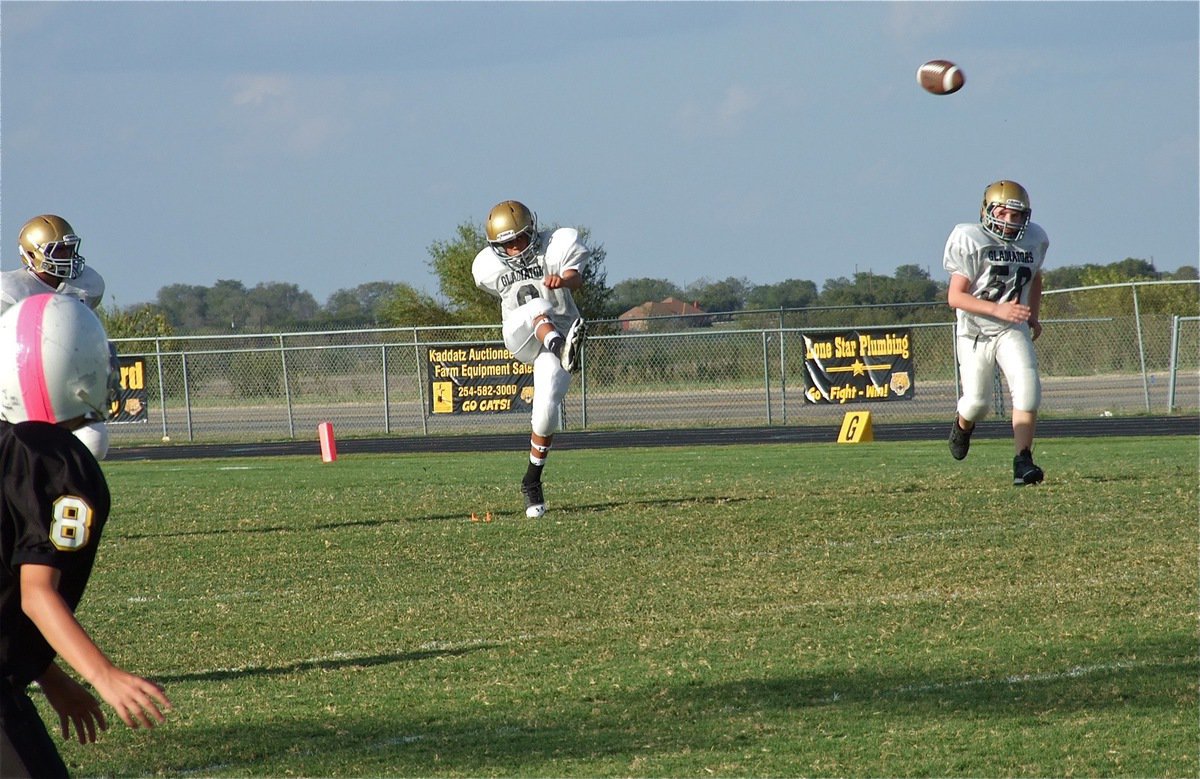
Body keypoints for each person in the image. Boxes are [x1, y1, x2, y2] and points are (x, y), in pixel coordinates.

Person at [0, 294, 172, 778]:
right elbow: (35, 594)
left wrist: (47, 675)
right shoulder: (61, 466)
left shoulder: (12, 447)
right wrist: (103, 675)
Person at [472, 200, 587, 517]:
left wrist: (562, 279)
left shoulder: (555, 245)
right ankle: (560, 346)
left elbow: (576, 276)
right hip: (520, 333)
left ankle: (532, 480)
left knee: (546, 409)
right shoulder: (488, 267)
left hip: (561, 328)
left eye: (520, 239)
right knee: (539, 308)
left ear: (532, 231)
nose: (515, 248)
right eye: (506, 244)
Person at [943, 180, 1049, 486]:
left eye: (1017, 216)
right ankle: (963, 425)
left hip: (1011, 328)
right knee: (977, 403)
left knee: (1028, 388)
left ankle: (1023, 461)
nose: (1010, 222)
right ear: (988, 211)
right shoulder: (970, 238)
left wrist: (1033, 315)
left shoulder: (1033, 240)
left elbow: (1036, 278)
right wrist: (998, 310)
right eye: (1003, 214)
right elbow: (956, 297)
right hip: (975, 330)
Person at [1, 215, 111, 460]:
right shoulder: (9, 290)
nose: (66, 255)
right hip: (20, 380)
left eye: (69, 249)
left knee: (94, 439)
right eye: (58, 250)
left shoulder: (87, 286)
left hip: (65, 379)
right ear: (31, 254)